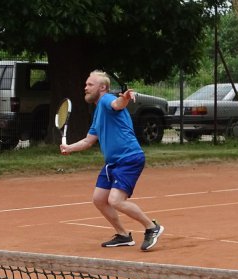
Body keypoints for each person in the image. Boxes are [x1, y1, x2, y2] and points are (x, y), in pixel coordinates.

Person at [60, 70, 164, 251]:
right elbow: (88, 141)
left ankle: (152, 227)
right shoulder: (98, 113)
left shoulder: (107, 100)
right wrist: (69, 148)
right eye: (86, 84)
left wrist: (124, 97)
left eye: (89, 85)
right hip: (112, 163)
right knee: (99, 199)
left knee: (115, 200)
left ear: (102, 88)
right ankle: (123, 235)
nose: (85, 88)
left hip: (129, 158)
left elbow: (118, 104)